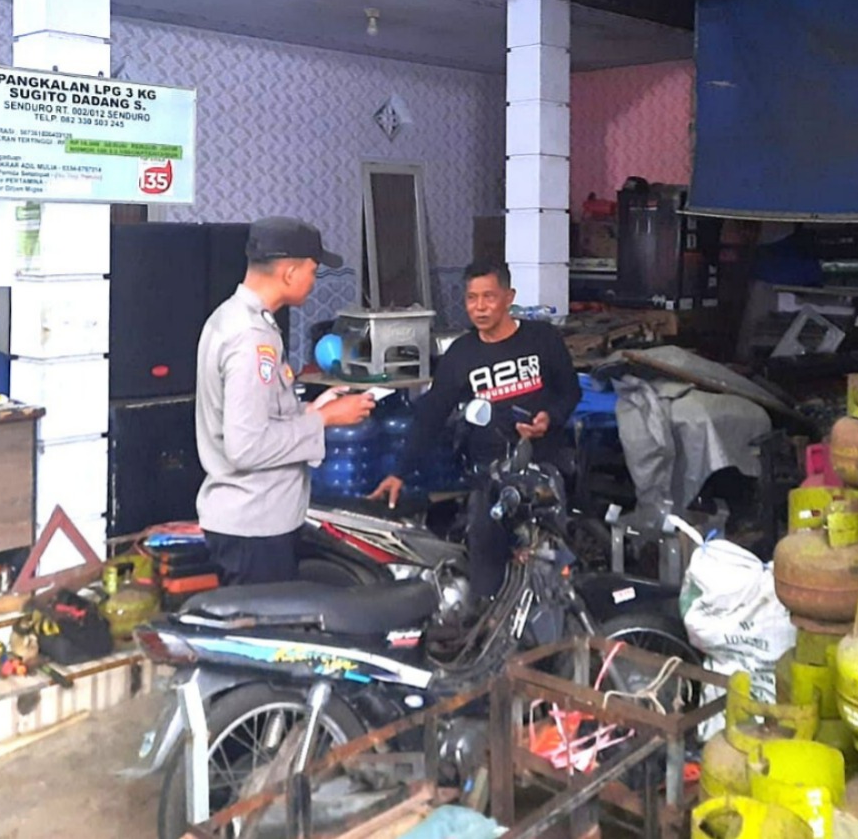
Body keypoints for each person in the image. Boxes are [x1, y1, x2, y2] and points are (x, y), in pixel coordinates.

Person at [369, 262, 581, 598]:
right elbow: (431, 415)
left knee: (548, 559)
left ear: (509, 297)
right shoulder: (461, 355)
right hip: (489, 474)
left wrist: (549, 418)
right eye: (472, 298)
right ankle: (489, 618)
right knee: (486, 561)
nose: (479, 307)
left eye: (489, 297)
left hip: (543, 465)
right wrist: (400, 471)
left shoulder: (543, 339)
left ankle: (555, 617)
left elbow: (570, 392)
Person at [196, 216, 376, 585]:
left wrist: (311, 409)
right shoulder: (251, 338)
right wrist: (325, 420)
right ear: (290, 272)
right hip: (254, 526)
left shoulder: (232, 317)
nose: (314, 280)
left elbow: (260, 414)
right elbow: (247, 447)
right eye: (313, 271)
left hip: (252, 522)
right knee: (261, 620)